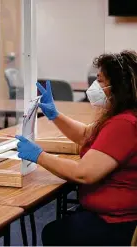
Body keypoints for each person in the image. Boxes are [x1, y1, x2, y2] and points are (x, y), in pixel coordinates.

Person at [15, 51, 137, 246]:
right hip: (114, 215)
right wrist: (54, 115)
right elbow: (85, 135)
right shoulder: (122, 117)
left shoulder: (124, 124)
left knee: (53, 233)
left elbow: (83, 174)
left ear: (118, 88)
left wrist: (39, 156)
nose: (94, 87)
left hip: (117, 223)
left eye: (100, 81)